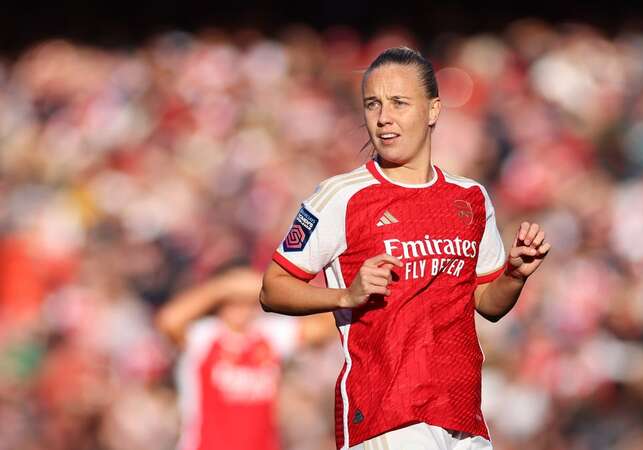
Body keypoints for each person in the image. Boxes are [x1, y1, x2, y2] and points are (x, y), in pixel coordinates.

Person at [259, 47, 550, 450]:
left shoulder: (471, 197)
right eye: (372, 104)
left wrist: (515, 274)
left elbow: (487, 303)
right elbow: (272, 288)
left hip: (464, 416)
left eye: (398, 103)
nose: (383, 118)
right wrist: (346, 294)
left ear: (433, 110)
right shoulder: (341, 197)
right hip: (388, 417)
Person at [156, 266, 332, 450]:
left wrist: (275, 287)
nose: (242, 309)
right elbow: (167, 321)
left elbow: (327, 324)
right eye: (235, 301)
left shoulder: (270, 335)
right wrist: (221, 287)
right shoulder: (204, 335)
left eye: (248, 301)